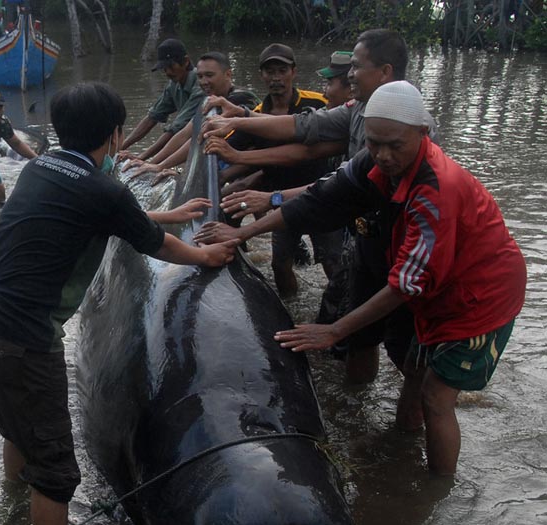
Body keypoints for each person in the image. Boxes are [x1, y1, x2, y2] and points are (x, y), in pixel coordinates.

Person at [196, 81, 527, 475]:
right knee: (414, 372)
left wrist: (335, 330)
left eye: (394, 145)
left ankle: (436, 491)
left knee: (436, 397)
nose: (383, 155)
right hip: (437, 288)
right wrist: (243, 232)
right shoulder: (375, 163)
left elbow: (405, 285)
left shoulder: (437, 192)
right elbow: (320, 197)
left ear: (423, 133)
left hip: (481, 297)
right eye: (374, 143)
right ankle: (402, 445)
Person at [0, 82, 237, 525]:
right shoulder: (104, 189)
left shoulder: (39, 168)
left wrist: (169, 215)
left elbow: (102, 214)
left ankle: (11, 509)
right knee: (55, 473)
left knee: (18, 430)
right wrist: (207, 256)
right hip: (25, 341)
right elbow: (154, 244)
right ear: (114, 135)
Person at [200, 30, 423, 415]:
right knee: (358, 336)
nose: (349, 74)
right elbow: (305, 137)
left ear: (385, 71)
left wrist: (267, 198)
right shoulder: (358, 111)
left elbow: (318, 168)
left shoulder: (405, 129)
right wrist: (244, 122)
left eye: (356, 66)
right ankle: (354, 413)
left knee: (408, 358)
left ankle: (408, 429)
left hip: (401, 245)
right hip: (360, 232)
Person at [203, 43, 335, 297]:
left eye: (282, 71)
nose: (276, 78)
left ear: (293, 72)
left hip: (321, 194)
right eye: (270, 72)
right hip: (280, 200)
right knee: (280, 265)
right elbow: (225, 145)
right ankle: (290, 310)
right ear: (261, 76)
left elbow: (316, 145)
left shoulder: (317, 104)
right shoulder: (255, 115)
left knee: (332, 263)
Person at [124, 51, 259, 182]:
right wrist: (151, 164)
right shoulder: (210, 100)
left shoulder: (239, 98)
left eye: (209, 75)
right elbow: (185, 134)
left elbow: (200, 138)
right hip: (228, 163)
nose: (204, 81)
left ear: (228, 74)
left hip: (250, 169)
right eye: (200, 76)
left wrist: (160, 166)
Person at [118, 39, 205, 162]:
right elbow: (152, 117)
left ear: (186, 61)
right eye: (164, 68)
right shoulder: (173, 85)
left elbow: (175, 129)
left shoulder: (201, 85)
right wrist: (120, 148)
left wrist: (141, 158)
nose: (168, 72)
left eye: (171, 66)